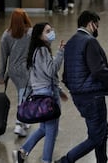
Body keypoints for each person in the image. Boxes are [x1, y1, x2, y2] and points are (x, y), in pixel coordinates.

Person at [55, 10, 108, 163]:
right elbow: (98, 70)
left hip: (79, 97)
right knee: (97, 136)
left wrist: (76, 89)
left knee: (101, 131)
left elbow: (65, 76)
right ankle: (65, 160)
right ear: (90, 24)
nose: (98, 28)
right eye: (97, 25)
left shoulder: (71, 42)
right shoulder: (89, 41)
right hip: (93, 97)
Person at [12, 22, 68, 163]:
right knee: (51, 131)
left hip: (41, 93)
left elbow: (41, 76)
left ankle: (22, 151)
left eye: (51, 29)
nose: (51, 32)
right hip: (48, 96)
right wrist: (61, 53)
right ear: (40, 35)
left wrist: (59, 90)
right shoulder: (42, 50)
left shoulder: (36, 50)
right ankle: (46, 160)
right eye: (47, 31)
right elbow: (50, 71)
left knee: (44, 128)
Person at [0, 9, 33, 137]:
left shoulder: (6, 35)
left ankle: (25, 119)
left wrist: (1, 76)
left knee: (23, 93)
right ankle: (19, 123)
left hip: (12, 70)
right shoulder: (30, 33)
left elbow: (3, 57)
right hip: (26, 69)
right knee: (24, 95)